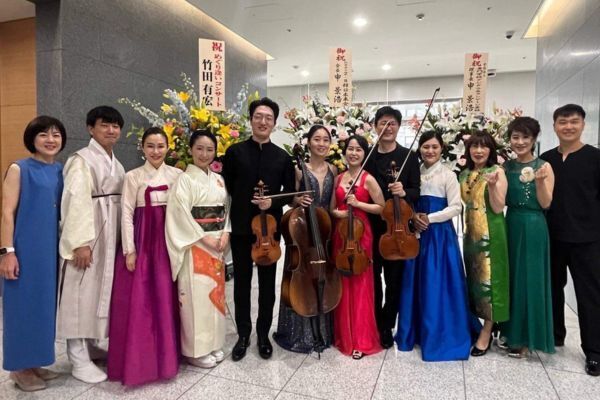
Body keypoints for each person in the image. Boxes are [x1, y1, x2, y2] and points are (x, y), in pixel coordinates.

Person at [222, 97, 295, 361]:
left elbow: (290, 193)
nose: (263, 121)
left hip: (269, 232)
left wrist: (272, 201)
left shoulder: (282, 157)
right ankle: (243, 334)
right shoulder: (234, 152)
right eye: (258, 116)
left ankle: (263, 334)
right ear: (251, 119)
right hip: (242, 228)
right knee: (241, 284)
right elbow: (226, 188)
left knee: (266, 285)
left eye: (268, 118)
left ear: (274, 123)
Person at [395, 131, 479, 361]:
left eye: (434, 147)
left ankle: (441, 334)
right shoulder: (415, 172)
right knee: (415, 281)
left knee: (436, 281)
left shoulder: (448, 175)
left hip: (439, 236)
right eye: (426, 147)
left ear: (442, 148)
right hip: (416, 233)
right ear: (420, 149)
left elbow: (456, 207)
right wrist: (413, 218)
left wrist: (429, 218)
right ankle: (415, 331)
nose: (430, 151)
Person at [107, 127, 181, 385]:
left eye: (160, 146)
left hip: (169, 239)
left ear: (168, 147)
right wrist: (130, 250)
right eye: (150, 146)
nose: (156, 151)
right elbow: (127, 214)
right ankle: (143, 359)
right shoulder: (133, 176)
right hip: (144, 239)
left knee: (168, 294)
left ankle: (170, 355)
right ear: (142, 148)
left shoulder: (177, 175)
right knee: (142, 298)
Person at [57, 106, 126, 383]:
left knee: (98, 291)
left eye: (115, 126)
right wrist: (80, 243)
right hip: (90, 233)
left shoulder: (116, 164)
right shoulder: (81, 160)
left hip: (110, 233)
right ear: (90, 128)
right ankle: (77, 357)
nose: (111, 130)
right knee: (79, 292)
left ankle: (91, 344)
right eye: (104, 125)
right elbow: (75, 201)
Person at [1, 116, 66, 391]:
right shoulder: (20, 169)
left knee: (43, 307)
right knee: (22, 307)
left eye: (56, 135)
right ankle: (18, 368)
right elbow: (7, 212)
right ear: (32, 139)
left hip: (50, 250)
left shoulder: (60, 170)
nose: (50, 140)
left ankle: (35, 362)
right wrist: (7, 252)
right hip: (25, 249)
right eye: (43, 134)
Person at [540, 104, 600, 376]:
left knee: (590, 294)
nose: (568, 127)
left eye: (574, 122)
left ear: (583, 125)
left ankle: (594, 351)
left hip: (588, 239)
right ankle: (555, 334)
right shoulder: (546, 159)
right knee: (553, 288)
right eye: (562, 122)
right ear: (554, 126)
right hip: (552, 236)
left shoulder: (595, 158)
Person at [166, 130, 230, 368]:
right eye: (199, 149)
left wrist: (226, 233)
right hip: (195, 244)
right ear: (191, 149)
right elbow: (179, 215)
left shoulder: (218, 179)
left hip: (217, 243)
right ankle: (195, 350)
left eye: (209, 149)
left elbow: (226, 210)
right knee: (196, 297)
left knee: (215, 295)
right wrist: (204, 238)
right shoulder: (184, 180)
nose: (204, 154)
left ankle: (213, 343)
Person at [273, 124, 337, 353]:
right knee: (300, 276)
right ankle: (299, 333)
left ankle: (324, 332)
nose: (321, 143)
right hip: (302, 230)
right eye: (317, 139)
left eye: (325, 140)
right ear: (308, 142)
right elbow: (290, 198)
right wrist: (298, 200)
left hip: (324, 231)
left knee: (324, 277)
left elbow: (331, 203)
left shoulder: (333, 169)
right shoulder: (299, 169)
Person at [499, 117, 555, 358]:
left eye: (525, 137)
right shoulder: (506, 167)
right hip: (510, 222)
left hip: (533, 226)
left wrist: (540, 182)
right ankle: (509, 331)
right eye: (515, 137)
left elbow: (546, 203)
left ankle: (525, 337)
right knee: (510, 277)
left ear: (534, 139)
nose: (520, 142)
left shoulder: (544, 166)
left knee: (530, 279)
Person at [364, 106, 420, 349]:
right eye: (383, 123)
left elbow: (416, 191)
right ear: (375, 126)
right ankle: (375, 321)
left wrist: (404, 191)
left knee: (394, 280)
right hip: (371, 226)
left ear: (399, 126)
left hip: (397, 228)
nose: (387, 128)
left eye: (392, 123)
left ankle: (387, 324)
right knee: (373, 278)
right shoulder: (367, 156)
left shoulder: (409, 156)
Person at [330, 135, 385, 359]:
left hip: (362, 234)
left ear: (364, 154)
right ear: (345, 152)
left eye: (358, 150)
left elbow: (381, 207)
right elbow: (332, 208)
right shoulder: (338, 178)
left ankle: (361, 339)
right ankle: (344, 336)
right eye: (350, 149)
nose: (353, 153)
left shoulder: (368, 179)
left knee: (361, 284)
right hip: (342, 234)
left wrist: (358, 203)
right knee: (343, 282)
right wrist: (339, 213)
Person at [459, 131, 509, 357]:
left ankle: (487, 331)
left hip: (491, 233)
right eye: (474, 146)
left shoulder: (497, 171)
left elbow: (498, 207)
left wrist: (493, 186)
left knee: (491, 282)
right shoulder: (464, 174)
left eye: (484, 146)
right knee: (475, 281)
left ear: (491, 150)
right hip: (471, 235)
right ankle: (483, 322)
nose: (478, 151)